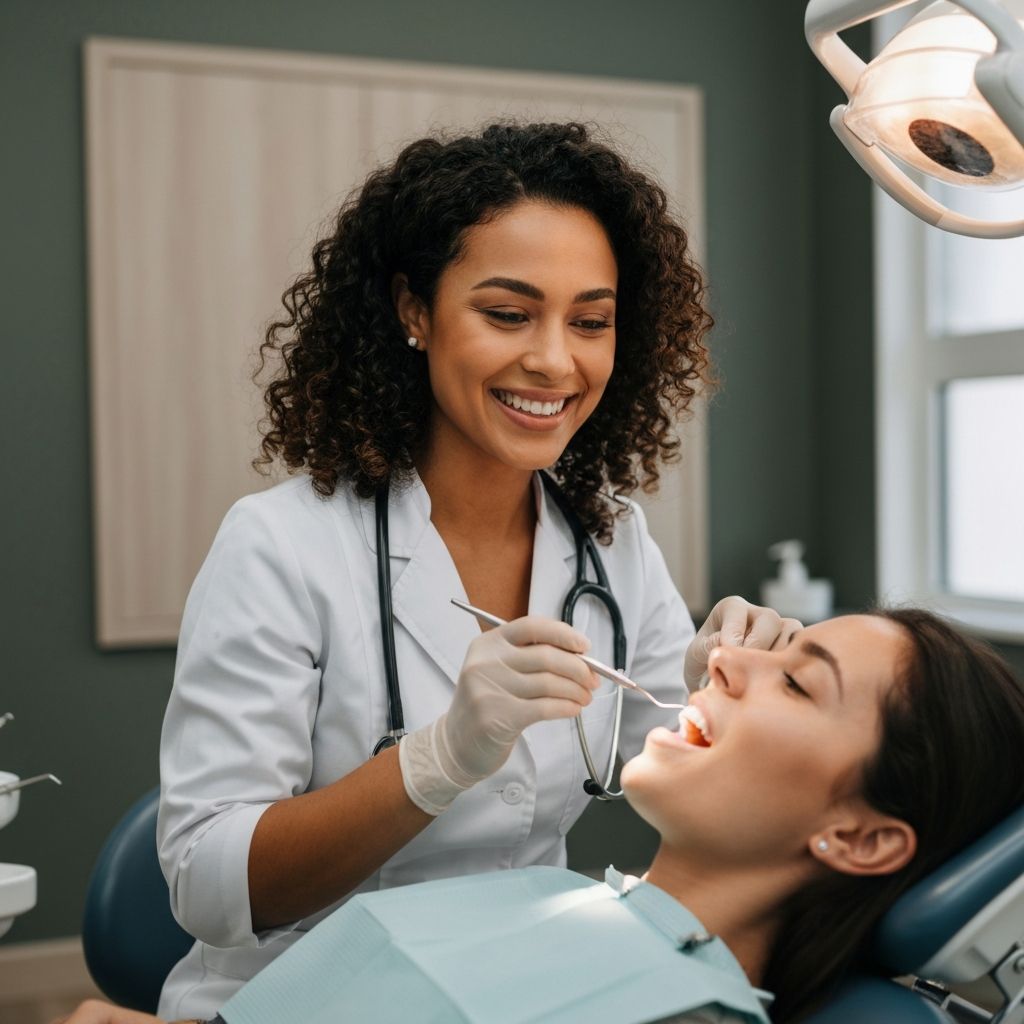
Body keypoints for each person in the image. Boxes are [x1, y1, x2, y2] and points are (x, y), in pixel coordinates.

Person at [155, 120, 797, 1019]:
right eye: (506, 313)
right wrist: (437, 760)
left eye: (591, 321)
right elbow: (210, 885)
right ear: (414, 311)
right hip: (303, 997)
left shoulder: (609, 544)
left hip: (518, 983)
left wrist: (726, 685)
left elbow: (669, 743)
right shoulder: (282, 545)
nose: (553, 359)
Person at [59, 609, 1024, 1024]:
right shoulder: (548, 905)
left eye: (799, 684)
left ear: (858, 836)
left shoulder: (677, 1012)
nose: (726, 657)